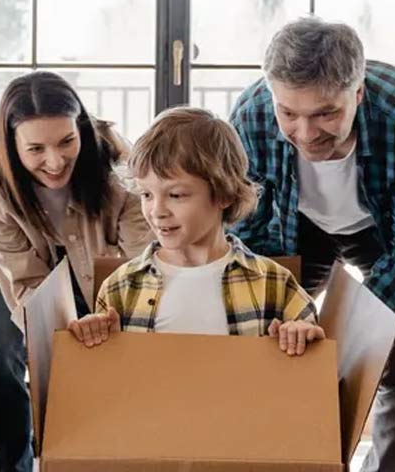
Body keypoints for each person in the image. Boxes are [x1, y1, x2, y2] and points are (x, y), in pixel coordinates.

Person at [230, 17, 395, 472]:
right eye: (290, 114)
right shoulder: (252, 113)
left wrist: (351, 330)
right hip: (295, 225)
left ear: (359, 91)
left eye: (326, 113)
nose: (306, 134)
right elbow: (249, 231)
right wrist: (285, 311)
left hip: (392, 232)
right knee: (269, 345)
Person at [0, 71, 152, 472]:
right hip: (2, 258)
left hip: (96, 252)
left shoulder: (121, 165)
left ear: (82, 127)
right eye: (36, 149)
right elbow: (25, 280)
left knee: (107, 348)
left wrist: (105, 318)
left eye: (67, 141)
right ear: (11, 142)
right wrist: (58, 332)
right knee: (1, 353)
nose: (55, 160)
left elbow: (138, 260)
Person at [69, 107, 324, 354]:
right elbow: (108, 380)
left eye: (176, 195)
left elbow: (311, 348)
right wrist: (94, 337)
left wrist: (302, 333)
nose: (157, 210)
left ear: (223, 194)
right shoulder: (120, 287)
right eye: (146, 194)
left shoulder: (274, 283)